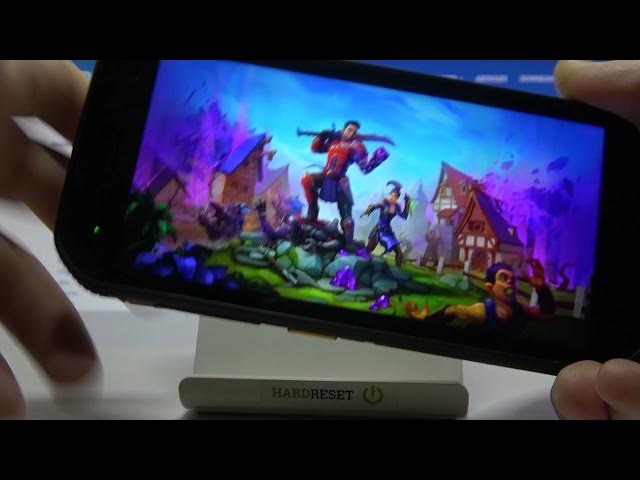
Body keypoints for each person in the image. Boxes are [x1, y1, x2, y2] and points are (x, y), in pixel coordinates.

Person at [1, 60, 639, 420]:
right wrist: (323, 143)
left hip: (344, 188)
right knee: (311, 186)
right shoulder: (332, 141)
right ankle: (319, 222)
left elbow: (366, 166)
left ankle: (346, 238)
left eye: (355, 131)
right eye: (351, 130)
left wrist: (371, 158)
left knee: (345, 210)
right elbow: (319, 146)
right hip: (322, 180)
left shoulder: (356, 150)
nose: (353, 134)